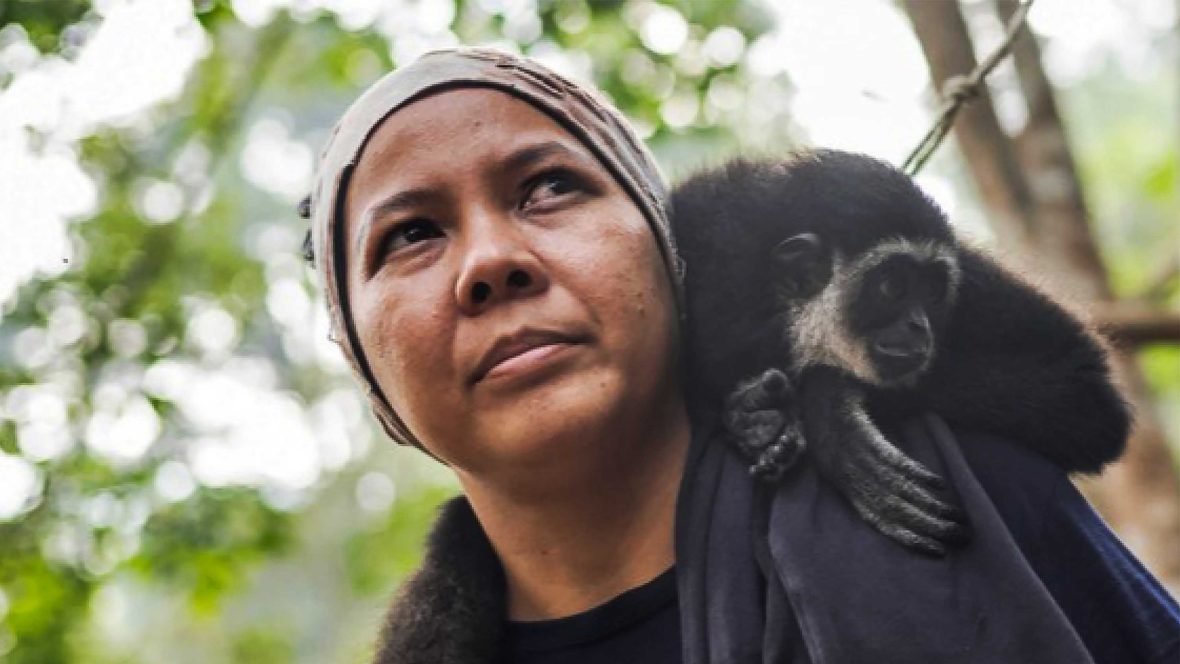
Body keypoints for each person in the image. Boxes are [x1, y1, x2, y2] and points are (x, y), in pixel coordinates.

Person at [302, 48, 1180, 664]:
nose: (491, 260)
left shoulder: (970, 489)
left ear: (662, 252)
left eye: (550, 186)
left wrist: (841, 401)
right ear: (362, 360)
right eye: (411, 235)